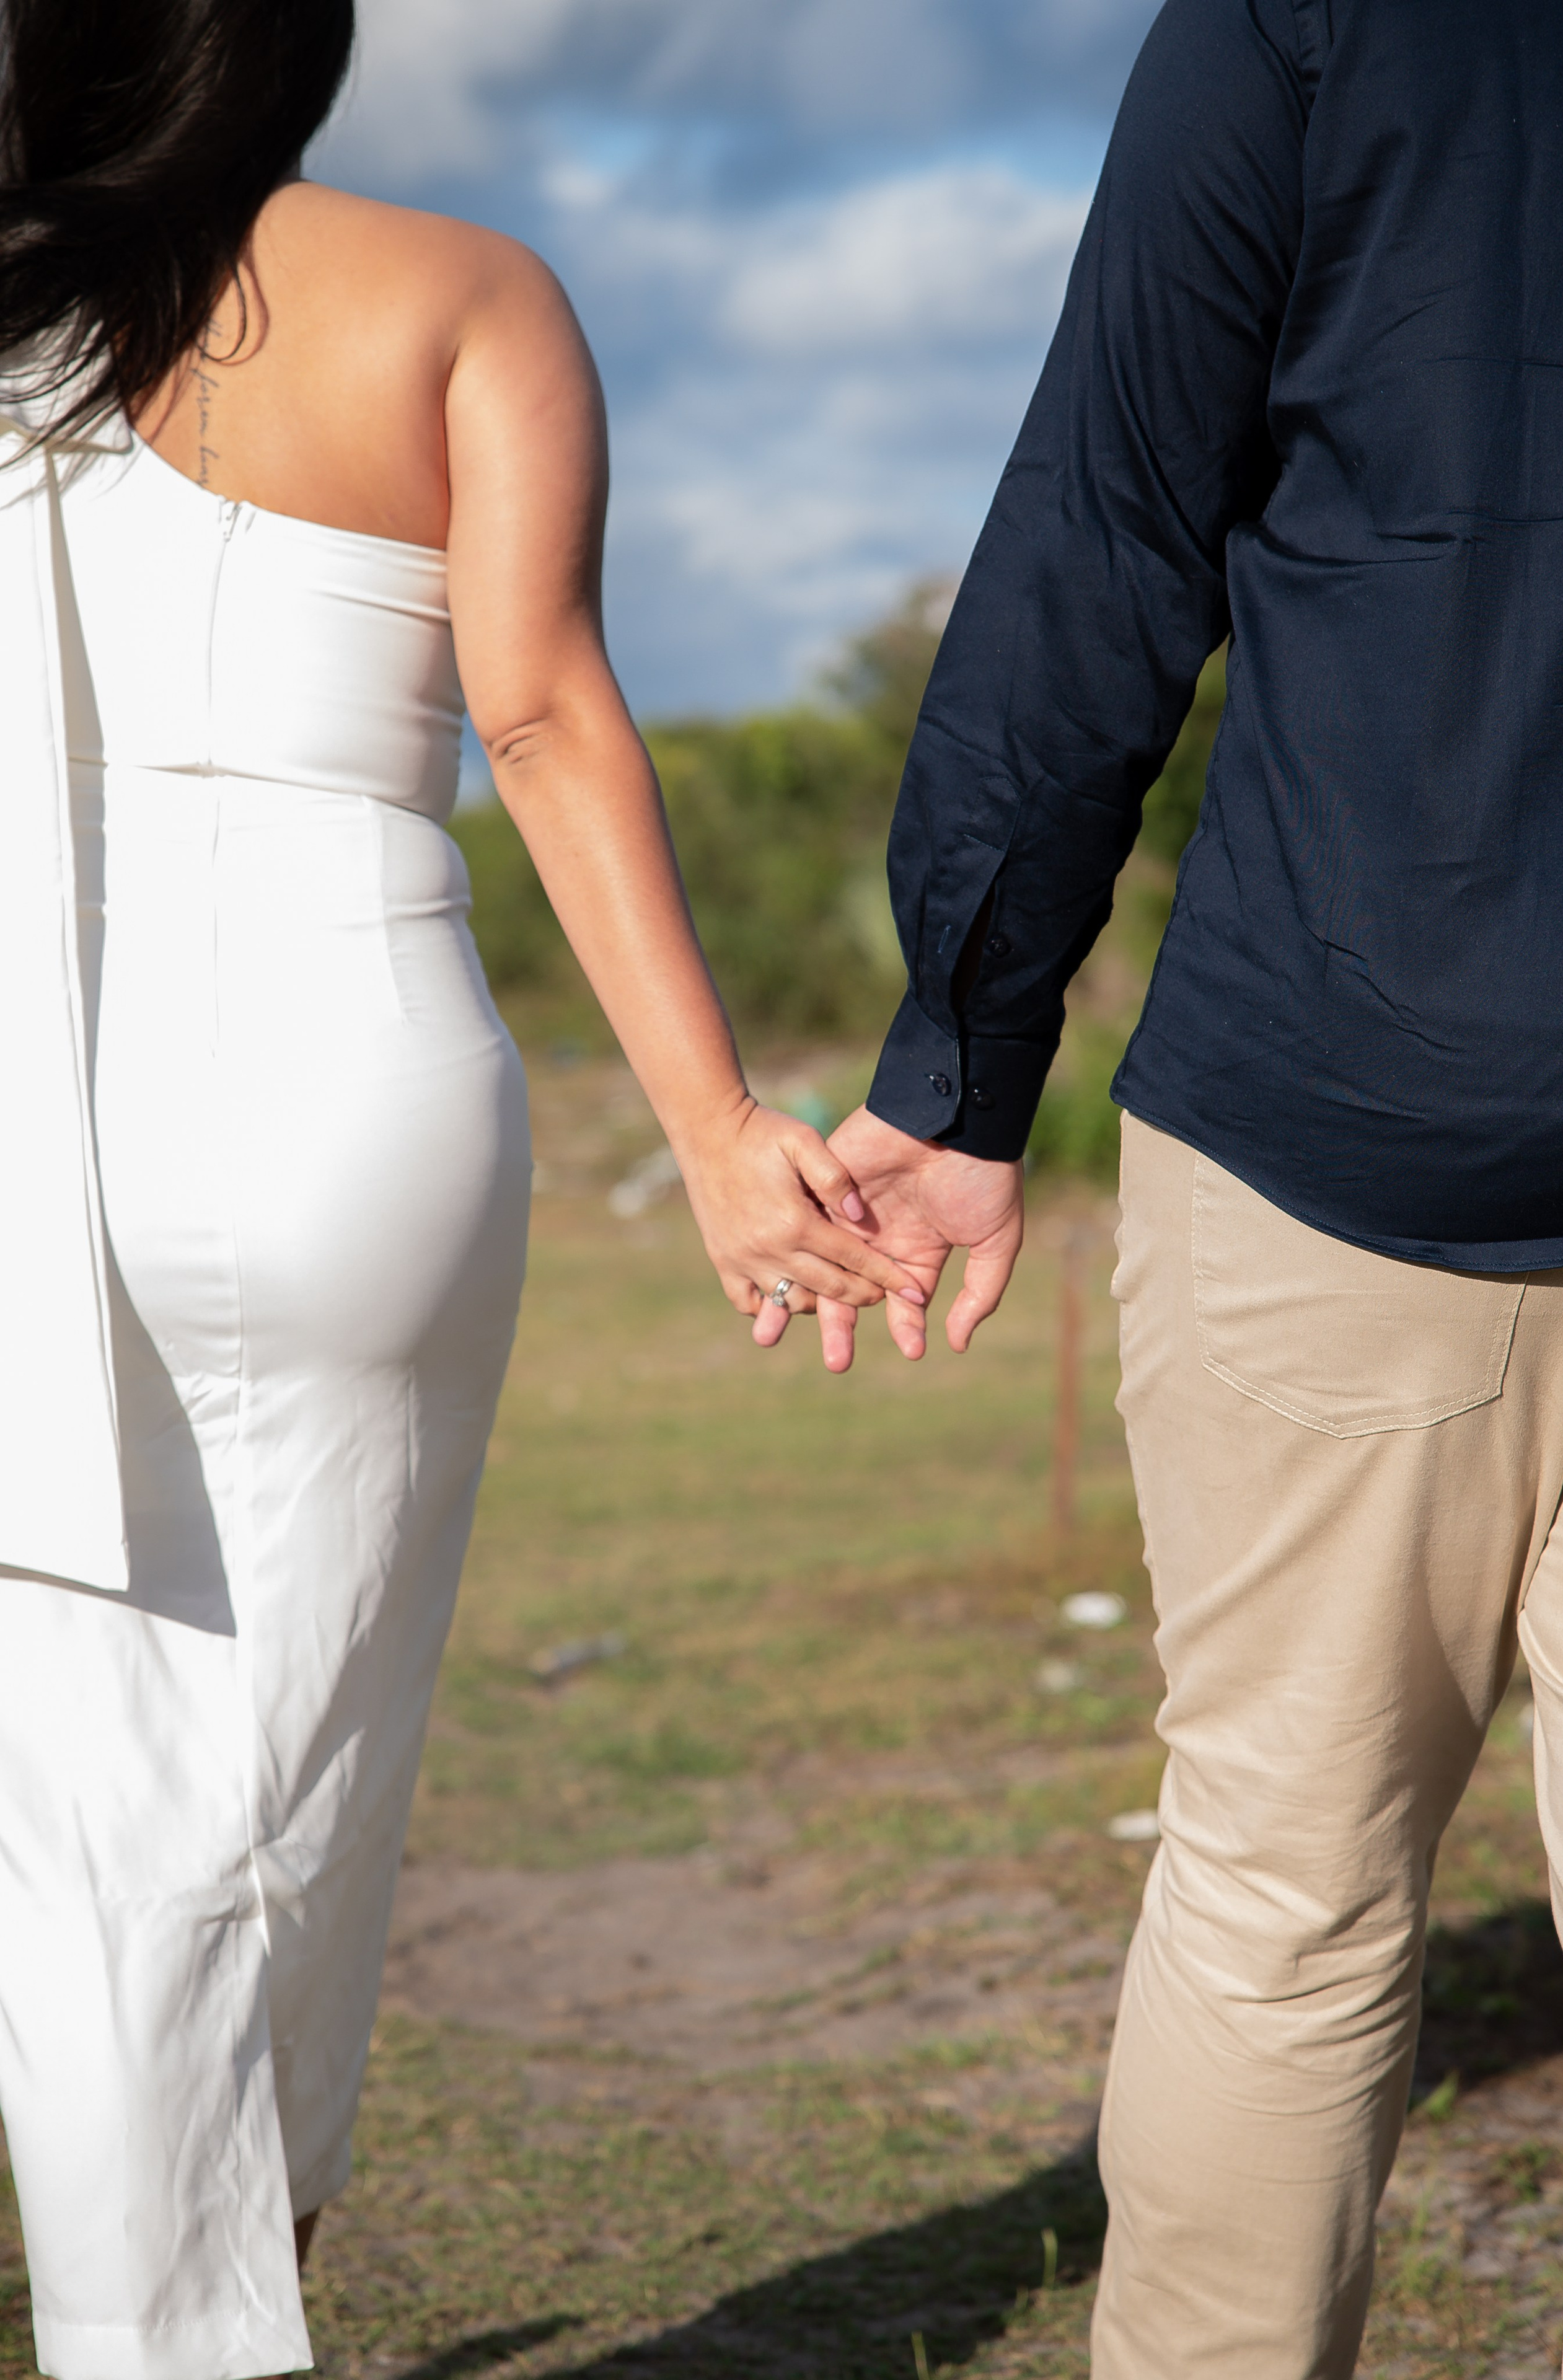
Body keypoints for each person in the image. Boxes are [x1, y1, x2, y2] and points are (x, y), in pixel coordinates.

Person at [0, 2, 925, 2368]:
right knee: (319, 1739)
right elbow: (539, 711)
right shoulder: (462, 291)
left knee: (94, 1807)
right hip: (359, 1071)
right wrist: (717, 1135)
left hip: (46, 1076)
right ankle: (255, 2255)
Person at [805, 0, 1563, 2370]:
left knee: (1285, 1902)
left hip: (1350, 1088)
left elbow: (1110, 523)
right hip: (1351, 1120)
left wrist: (962, 1066)